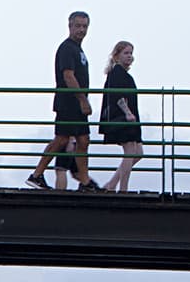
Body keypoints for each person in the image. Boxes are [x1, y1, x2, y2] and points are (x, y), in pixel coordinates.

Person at [28, 11, 100, 191]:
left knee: (83, 140)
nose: (81, 30)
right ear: (70, 26)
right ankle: (36, 175)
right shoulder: (67, 48)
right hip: (68, 102)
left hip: (77, 105)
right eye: (78, 26)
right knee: (61, 139)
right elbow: (68, 76)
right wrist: (82, 99)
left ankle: (84, 181)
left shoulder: (78, 49)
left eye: (84, 26)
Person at [98, 42, 144, 192]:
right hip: (123, 117)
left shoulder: (123, 74)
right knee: (130, 151)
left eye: (131, 53)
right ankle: (123, 188)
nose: (130, 56)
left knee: (138, 153)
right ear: (117, 55)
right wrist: (127, 113)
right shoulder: (116, 73)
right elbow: (118, 96)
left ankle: (112, 184)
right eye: (126, 53)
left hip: (129, 117)